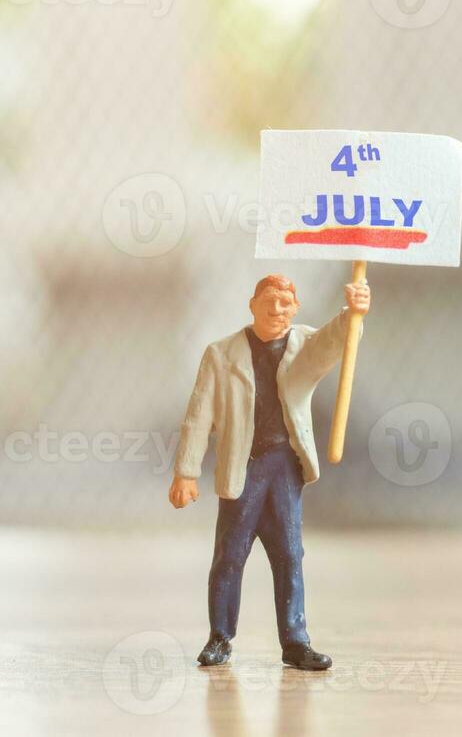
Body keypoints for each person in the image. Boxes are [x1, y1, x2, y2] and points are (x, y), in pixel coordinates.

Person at [169, 273, 370, 670]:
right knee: (229, 556)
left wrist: (354, 311)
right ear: (252, 304)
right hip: (240, 466)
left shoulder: (304, 346)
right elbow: (198, 417)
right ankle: (220, 637)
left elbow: (337, 340)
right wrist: (186, 472)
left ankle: (296, 641)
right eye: (269, 302)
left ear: (295, 309)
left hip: (283, 468)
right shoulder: (221, 354)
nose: (276, 310)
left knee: (290, 555)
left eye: (284, 303)